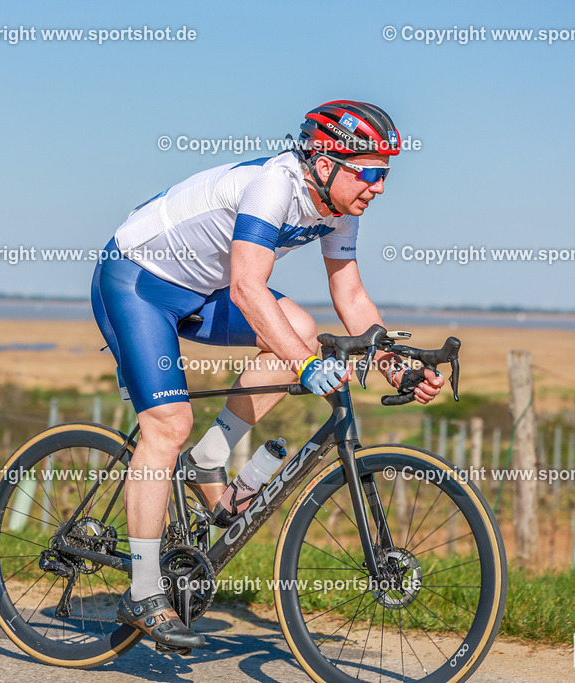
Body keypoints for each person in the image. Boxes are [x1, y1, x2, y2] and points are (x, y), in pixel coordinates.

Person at [90, 100, 445, 651]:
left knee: (299, 327)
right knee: (168, 424)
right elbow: (247, 289)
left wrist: (396, 366)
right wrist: (306, 365)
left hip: (200, 290)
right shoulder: (273, 187)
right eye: (369, 172)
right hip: (137, 280)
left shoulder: (341, 207)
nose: (377, 187)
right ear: (325, 163)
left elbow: (351, 294)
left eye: (385, 175)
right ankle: (142, 590)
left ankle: (209, 457)